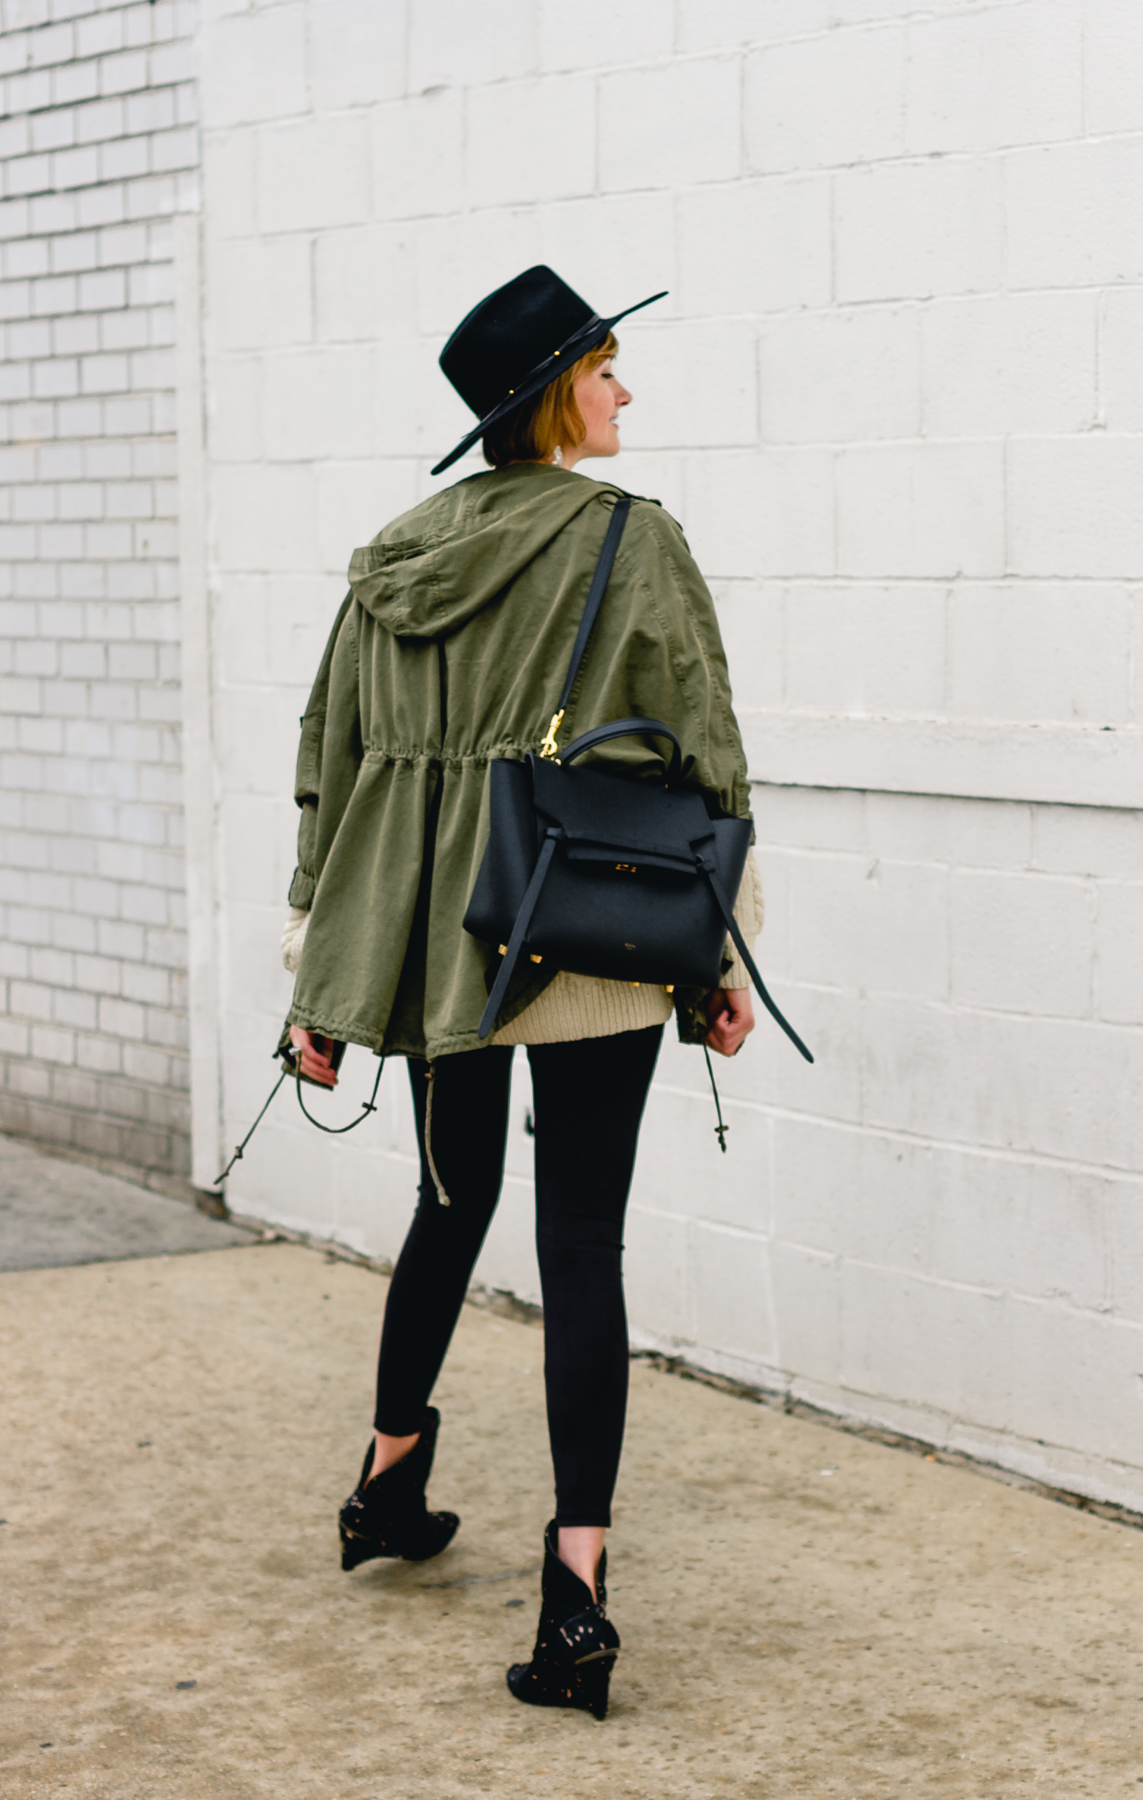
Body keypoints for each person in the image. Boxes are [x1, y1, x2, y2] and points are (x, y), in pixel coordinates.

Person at [280, 266, 763, 1721]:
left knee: (448, 1202)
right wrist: (723, 959)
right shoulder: (631, 540)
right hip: (587, 930)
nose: (626, 391)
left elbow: (336, 766)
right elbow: (704, 754)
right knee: (584, 1249)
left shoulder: (392, 557)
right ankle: (576, 1598)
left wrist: (319, 972)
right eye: (608, 369)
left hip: (438, 941)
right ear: (558, 390)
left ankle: (387, 1476)